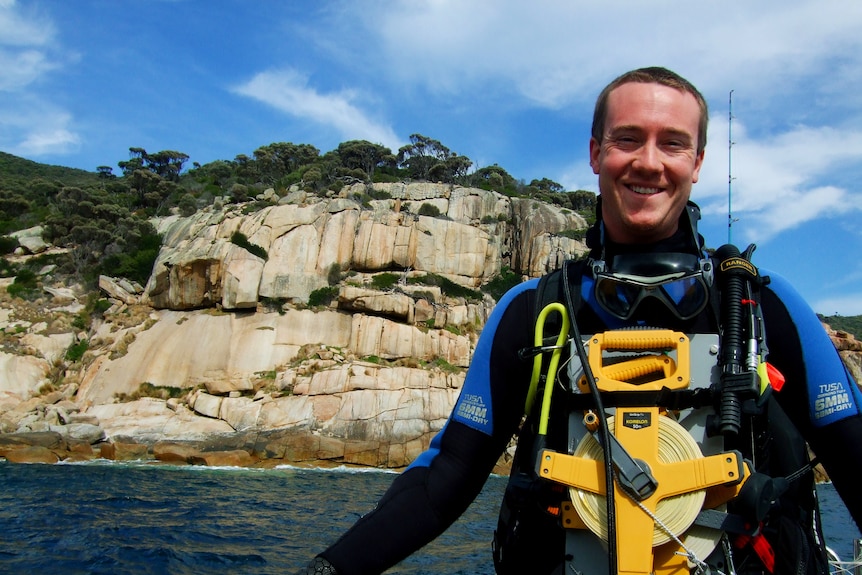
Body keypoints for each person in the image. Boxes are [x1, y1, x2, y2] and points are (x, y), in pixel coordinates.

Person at [296, 67, 861, 575]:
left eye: (673, 143)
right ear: (595, 153)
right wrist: (328, 570)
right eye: (627, 139)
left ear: (698, 162)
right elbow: (445, 479)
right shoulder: (532, 313)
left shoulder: (763, 306)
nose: (648, 161)